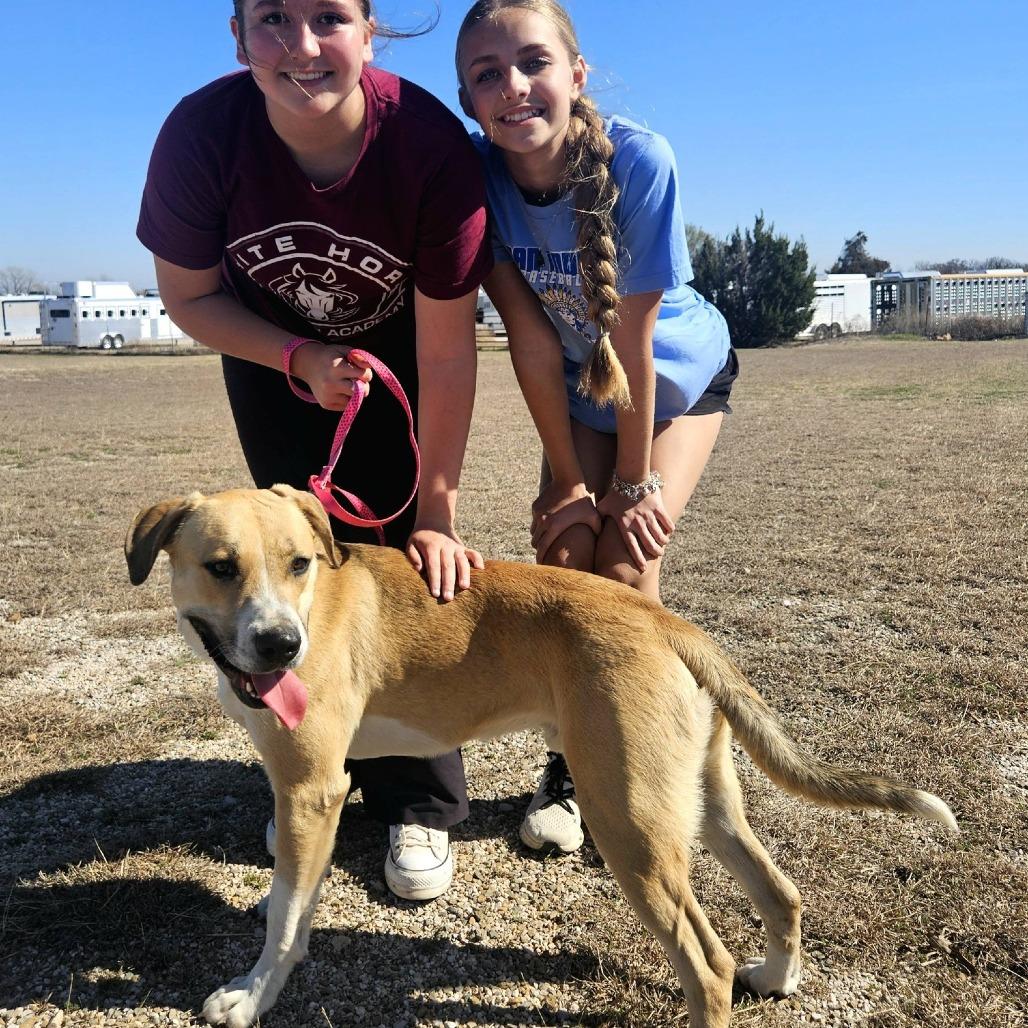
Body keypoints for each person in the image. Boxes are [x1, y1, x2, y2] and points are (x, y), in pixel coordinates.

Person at [138, 0, 493, 901]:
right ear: (238, 35)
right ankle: (306, 766)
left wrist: (439, 512)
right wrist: (296, 356)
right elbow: (189, 299)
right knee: (286, 568)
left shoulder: (427, 145)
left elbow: (450, 348)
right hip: (269, 361)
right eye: (273, 19)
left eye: (329, 17)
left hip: (403, 364)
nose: (301, 45)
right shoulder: (202, 133)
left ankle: (418, 799)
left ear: (370, 32)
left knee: (403, 575)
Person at [456, 0, 737, 854]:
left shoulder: (640, 161)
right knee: (562, 560)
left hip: (674, 383)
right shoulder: (482, 178)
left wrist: (629, 485)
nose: (514, 87)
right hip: (580, 391)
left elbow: (633, 343)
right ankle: (572, 764)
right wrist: (569, 484)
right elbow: (534, 345)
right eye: (486, 74)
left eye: (534, 62)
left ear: (577, 74)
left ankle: (649, 767)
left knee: (623, 564)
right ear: (469, 100)